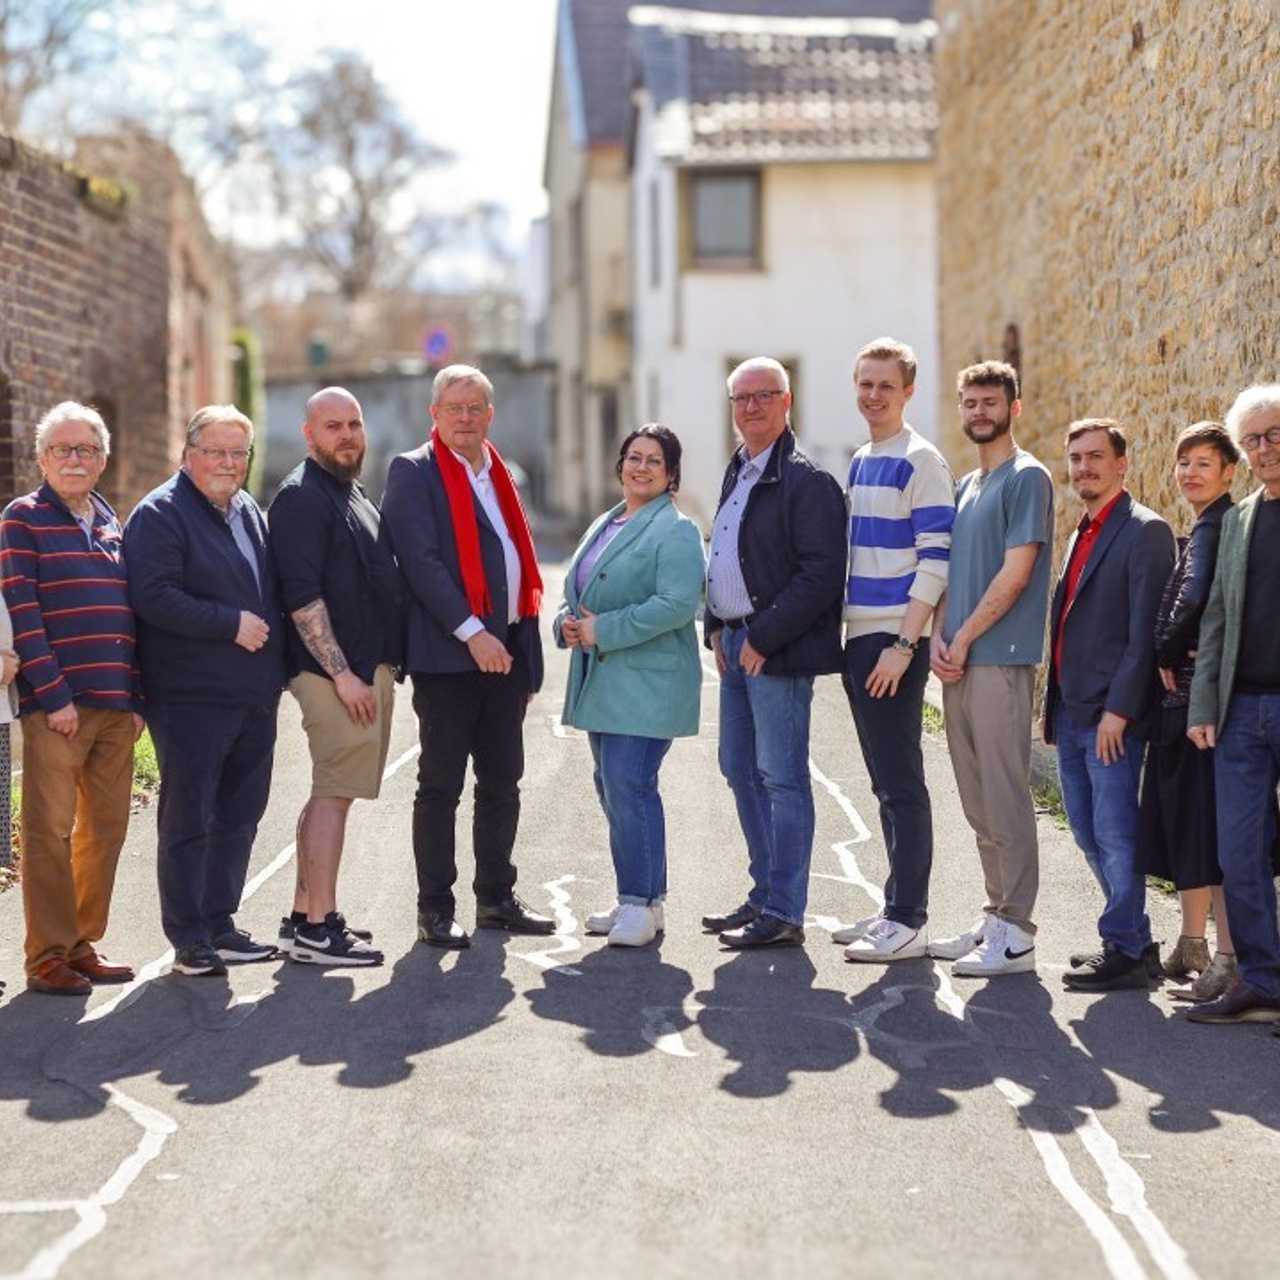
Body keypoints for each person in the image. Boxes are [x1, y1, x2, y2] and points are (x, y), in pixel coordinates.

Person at [382, 364, 553, 949]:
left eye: (474, 407)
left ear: (490, 415)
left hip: (505, 654)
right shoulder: (414, 471)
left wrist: (522, 653)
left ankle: (496, 899)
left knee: (504, 781)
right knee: (441, 786)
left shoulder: (501, 473)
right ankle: (435, 908)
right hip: (448, 657)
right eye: (453, 408)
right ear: (434, 414)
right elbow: (421, 564)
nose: (464, 418)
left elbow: (516, 565)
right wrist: (471, 631)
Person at [125, 405, 287, 977]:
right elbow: (153, 595)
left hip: (252, 696)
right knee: (189, 818)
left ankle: (220, 922)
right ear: (188, 454)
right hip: (189, 699)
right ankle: (188, 936)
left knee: (241, 814)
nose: (227, 462)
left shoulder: (246, 509)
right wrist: (228, 623)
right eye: (214, 451)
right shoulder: (160, 514)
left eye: (237, 452)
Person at [701, 357, 847, 949]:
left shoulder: (807, 480)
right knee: (739, 769)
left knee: (782, 779)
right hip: (736, 643)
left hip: (775, 650)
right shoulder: (739, 468)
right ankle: (764, 893)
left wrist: (762, 636)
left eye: (763, 396)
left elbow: (821, 573)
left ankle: (785, 911)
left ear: (788, 402)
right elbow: (727, 552)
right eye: (741, 399)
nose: (751, 407)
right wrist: (715, 624)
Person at [0, 402, 143, 995]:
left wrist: (136, 699)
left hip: (116, 704)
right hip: (57, 707)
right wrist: (52, 694)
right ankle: (46, 957)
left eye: (85, 449)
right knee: (49, 831)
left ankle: (82, 943)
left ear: (103, 459)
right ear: (41, 459)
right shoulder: (21, 519)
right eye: (62, 449)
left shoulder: (112, 520)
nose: (74, 459)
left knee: (105, 829)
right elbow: (23, 611)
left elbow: (133, 615)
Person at [555, 425, 705, 947]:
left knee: (629, 785)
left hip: (647, 683)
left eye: (654, 461)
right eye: (633, 458)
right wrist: (566, 624)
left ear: (671, 476)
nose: (641, 467)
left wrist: (603, 629)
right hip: (604, 681)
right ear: (619, 465)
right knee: (616, 787)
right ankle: (643, 900)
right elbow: (576, 588)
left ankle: (638, 905)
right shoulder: (606, 523)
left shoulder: (677, 530)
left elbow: (678, 603)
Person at [270, 387, 403, 966]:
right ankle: (320, 929)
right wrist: (344, 674)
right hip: (332, 676)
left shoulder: (352, 494)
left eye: (353, 424)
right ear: (309, 434)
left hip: (362, 669)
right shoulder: (301, 498)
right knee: (334, 793)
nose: (346, 435)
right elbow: (301, 597)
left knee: (333, 792)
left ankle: (305, 917)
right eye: (332, 426)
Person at [930, 361, 1054, 976]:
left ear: (1014, 407)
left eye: (990, 402)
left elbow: (1017, 572)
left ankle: (1019, 932)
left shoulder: (1026, 478)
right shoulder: (967, 487)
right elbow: (954, 573)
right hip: (959, 660)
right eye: (970, 402)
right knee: (978, 801)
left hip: (999, 661)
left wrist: (966, 636)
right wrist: (937, 638)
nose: (980, 412)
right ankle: (995, 914)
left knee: (1004, 796)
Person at [1044, 419, 1175, 991]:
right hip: (1072, 713)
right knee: (1086, 831)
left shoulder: (1145, 530)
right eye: (1076, 458)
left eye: (1095, 457)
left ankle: (1123, 946)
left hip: (1109, 718)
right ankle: (1136, 939)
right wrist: (1049, 710)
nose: (1084, 468)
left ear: (1122, 464)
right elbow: (1065, 626)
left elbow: (1144, 632)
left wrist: (1119, 712)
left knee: (1116, 833)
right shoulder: (1081, 531)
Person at [837, 337, 955, 963]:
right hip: (861, 637)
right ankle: (893, 907)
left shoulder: (921, 459)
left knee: (902, 781)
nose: (873, 395)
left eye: (885, 385)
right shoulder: (862, 459)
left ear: (908, 390)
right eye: (865, 383)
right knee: (884, 782)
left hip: (891, 640)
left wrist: (904, 645)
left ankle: (909, 918)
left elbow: (936, 559)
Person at [1139, 422, 1248, 1002]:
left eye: (1204, 463)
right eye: (1184, 463)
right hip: (1186, 704)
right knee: (1189, 829)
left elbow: (1195, 594)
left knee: (1208, 832)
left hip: (1198, 709)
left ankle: (1227, 959)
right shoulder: (1209, 524)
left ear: (1230, 472)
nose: (1190, 473)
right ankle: (1192, 943)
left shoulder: (1217, 527)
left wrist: (1163, 648)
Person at [1185, 385, 1280, 1026]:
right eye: (1252, 440)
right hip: (1242, 709)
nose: (1264, 449)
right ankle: (1264, 981)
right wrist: (1202, 704)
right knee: (1240, 852)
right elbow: (1216, 618)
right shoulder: (1242, 520)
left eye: (1273, 434)